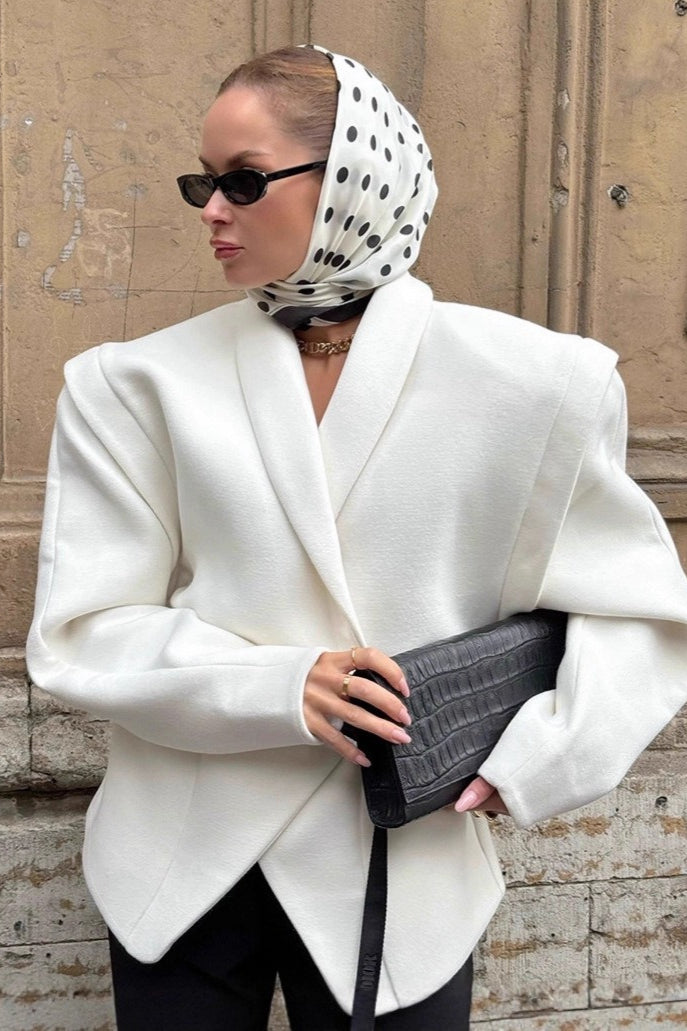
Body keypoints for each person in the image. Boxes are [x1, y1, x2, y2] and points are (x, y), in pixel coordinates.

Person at [26, 43, 687, 1030]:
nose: (212, 211)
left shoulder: (537, 383)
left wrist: (541, 758)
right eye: (203, 182)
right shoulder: (128, 387)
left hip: (400, 858)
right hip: (177, 856)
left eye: (243, 181)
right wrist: (281, 685)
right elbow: (80, 630)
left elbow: (641, 612)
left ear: (352, 177)